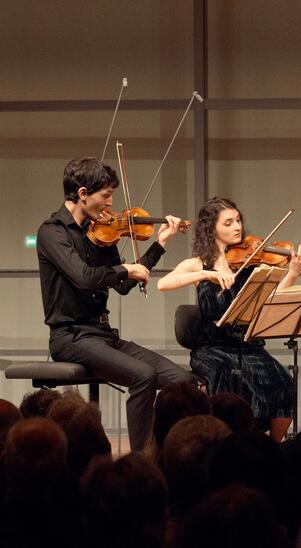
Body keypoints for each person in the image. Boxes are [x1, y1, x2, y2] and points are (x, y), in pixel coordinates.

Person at [37, 157, 194, 452]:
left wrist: (159, 245)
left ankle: (169, 453)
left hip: (104, 335)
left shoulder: (100, 234)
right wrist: (127, 269)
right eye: (106, 196)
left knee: (181, 381)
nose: (110, 204)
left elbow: (122, 285)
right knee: (143, 376)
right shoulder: (52, 232)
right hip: (70, 336)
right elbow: (84, 278)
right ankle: (142, 460)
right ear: (83, 194)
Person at [158, 196, 301, 441]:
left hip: (248, 345)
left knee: (283, 383)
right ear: (212, 229)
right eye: (228, 223)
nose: (237, 227)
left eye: (238, 220)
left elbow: (270, 300)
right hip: (213, 349)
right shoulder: (198, 264)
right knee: (228, 379)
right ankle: (227, 443)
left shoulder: (251, 264)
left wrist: (292, 273)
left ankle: (273, 446)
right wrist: (207, 275)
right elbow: (164, 284)